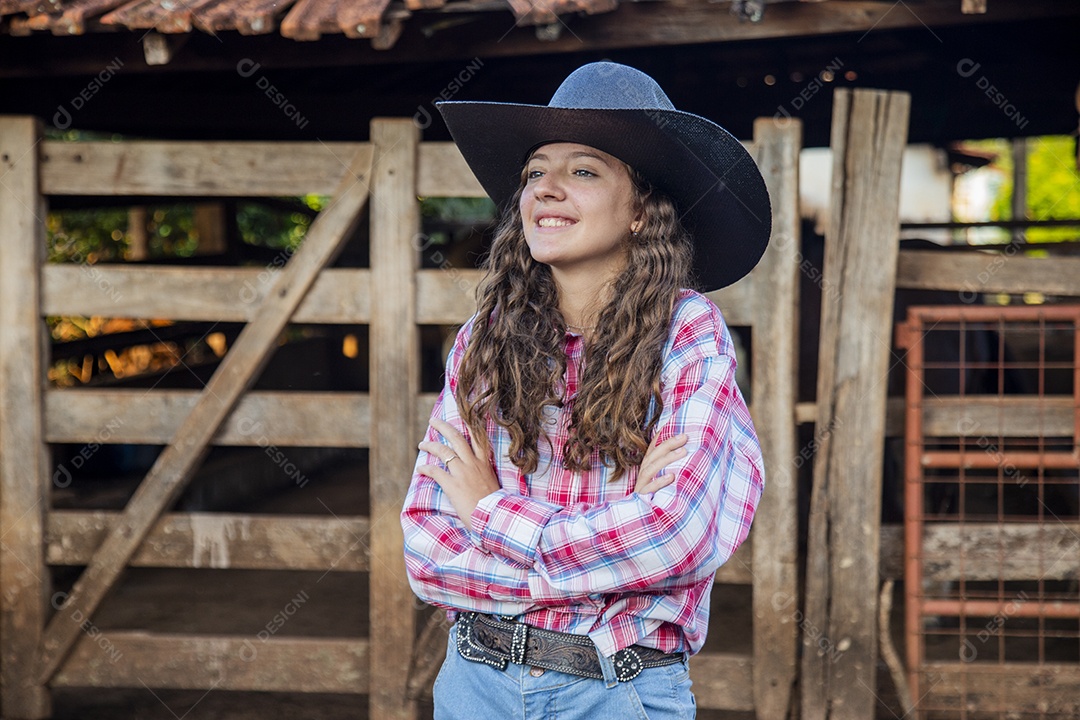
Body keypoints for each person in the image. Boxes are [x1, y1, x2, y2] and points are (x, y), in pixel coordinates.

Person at [401, 61, 770, 719]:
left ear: (640, 213)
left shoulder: (686, 333)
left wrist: (490, 513)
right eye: (535, 171)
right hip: (474, 685)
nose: (546, 188)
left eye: (583, 171)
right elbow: (427, 550)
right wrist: (607, 547)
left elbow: (675, 537)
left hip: (614, 692)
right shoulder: (486, 339)